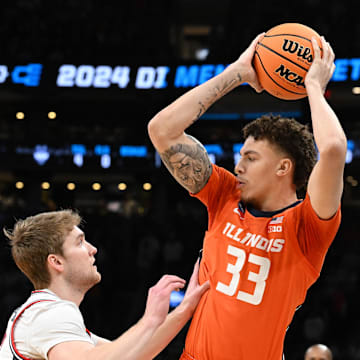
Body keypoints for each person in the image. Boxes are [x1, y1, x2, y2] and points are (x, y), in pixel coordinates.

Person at [147, 32, 346, 360]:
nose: (238, 165)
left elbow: (335, 150)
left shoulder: (307, 225)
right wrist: (235, 74)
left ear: (283, 167)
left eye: (251, 158)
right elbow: (162, 130)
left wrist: (313, 86)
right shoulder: (224, 195)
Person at [0, 210, 210, 360]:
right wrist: (150, 320)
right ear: (56, 262)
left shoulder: (45, 314)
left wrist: (184, 309)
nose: (93, 249)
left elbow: (133, 354)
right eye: (80, 242)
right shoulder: (48, 313)